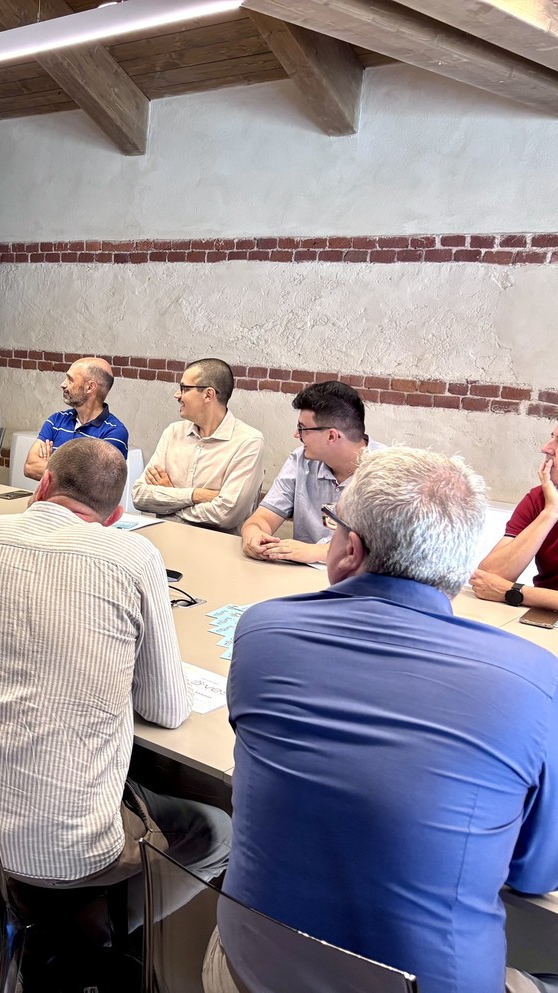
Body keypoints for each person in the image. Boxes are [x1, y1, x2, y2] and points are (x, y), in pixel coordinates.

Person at [222, 447, 558, 993]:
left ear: (350, 549)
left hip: (247, 971)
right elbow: (537, 873)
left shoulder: (262, 630)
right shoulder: (535, 680)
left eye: (332, 525)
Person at [0, 438, 230, 940]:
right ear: (114, 516)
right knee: (216, 832)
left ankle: (43, 922)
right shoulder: (134, 555)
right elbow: (166, 709)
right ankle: (82, 938)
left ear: (44, 483)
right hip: (67, 850)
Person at [240, 379, 382, 565]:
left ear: (331, 436)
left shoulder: (388, 471)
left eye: (302, 428)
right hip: (300, 576)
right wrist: (253, 534)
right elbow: (263, 518)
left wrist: (318, 552)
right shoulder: (300, 460)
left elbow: (386, 550)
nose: (296, 435)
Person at [130, 358, 263, 533]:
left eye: (184, 388)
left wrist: (171, 498)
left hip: (214, 546)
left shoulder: (248, 441)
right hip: (165, 538)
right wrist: (196, 495)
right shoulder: (173, 432)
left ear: (208, 395)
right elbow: (139, 496)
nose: (177, 395)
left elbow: (225, 515)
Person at [471, 423, 558, 609]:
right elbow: (487, 580)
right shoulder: (541, 498)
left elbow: (499, 587)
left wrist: (516, 592)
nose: (546, 448)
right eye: (552, 437)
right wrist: (550, 512)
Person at [23, 357, 128, 481]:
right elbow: (30, 467)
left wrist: (51, 463)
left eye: (70, 379)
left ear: (90, 387)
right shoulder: (56, 420)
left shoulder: (114, 432)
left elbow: (91, 481)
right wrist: (74, 471)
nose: (63, 384)